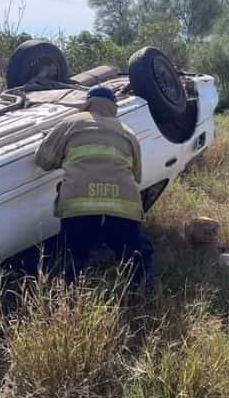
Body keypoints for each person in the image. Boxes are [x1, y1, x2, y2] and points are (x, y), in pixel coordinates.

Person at [35, 85, 154, 288]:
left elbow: (43, 161)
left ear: (87, 102)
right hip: (123, 206)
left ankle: (70, 302)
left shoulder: (71, 123)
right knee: (136, 256)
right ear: (114, 107)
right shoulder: (127, 132)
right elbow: (138, 175)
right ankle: (142, 297)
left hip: (79, 206)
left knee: (72, 258)